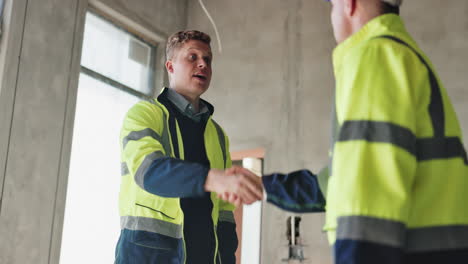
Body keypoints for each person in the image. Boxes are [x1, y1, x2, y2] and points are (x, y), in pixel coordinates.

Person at [221, 0, 468, 263]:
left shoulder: (375, 56)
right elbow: (335, 183)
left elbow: (369, 199)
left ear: (349, 5)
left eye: (332, 6)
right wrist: (263, 185)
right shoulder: (402, 57)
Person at [115, 30, 263, 264]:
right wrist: (214, 178)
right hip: (148, 257)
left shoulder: (218, 134)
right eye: (192, 57)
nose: (203, 64)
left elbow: (225, 213)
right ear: (170, 66)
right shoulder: (144, 115)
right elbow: (149, 171)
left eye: (208, 59)